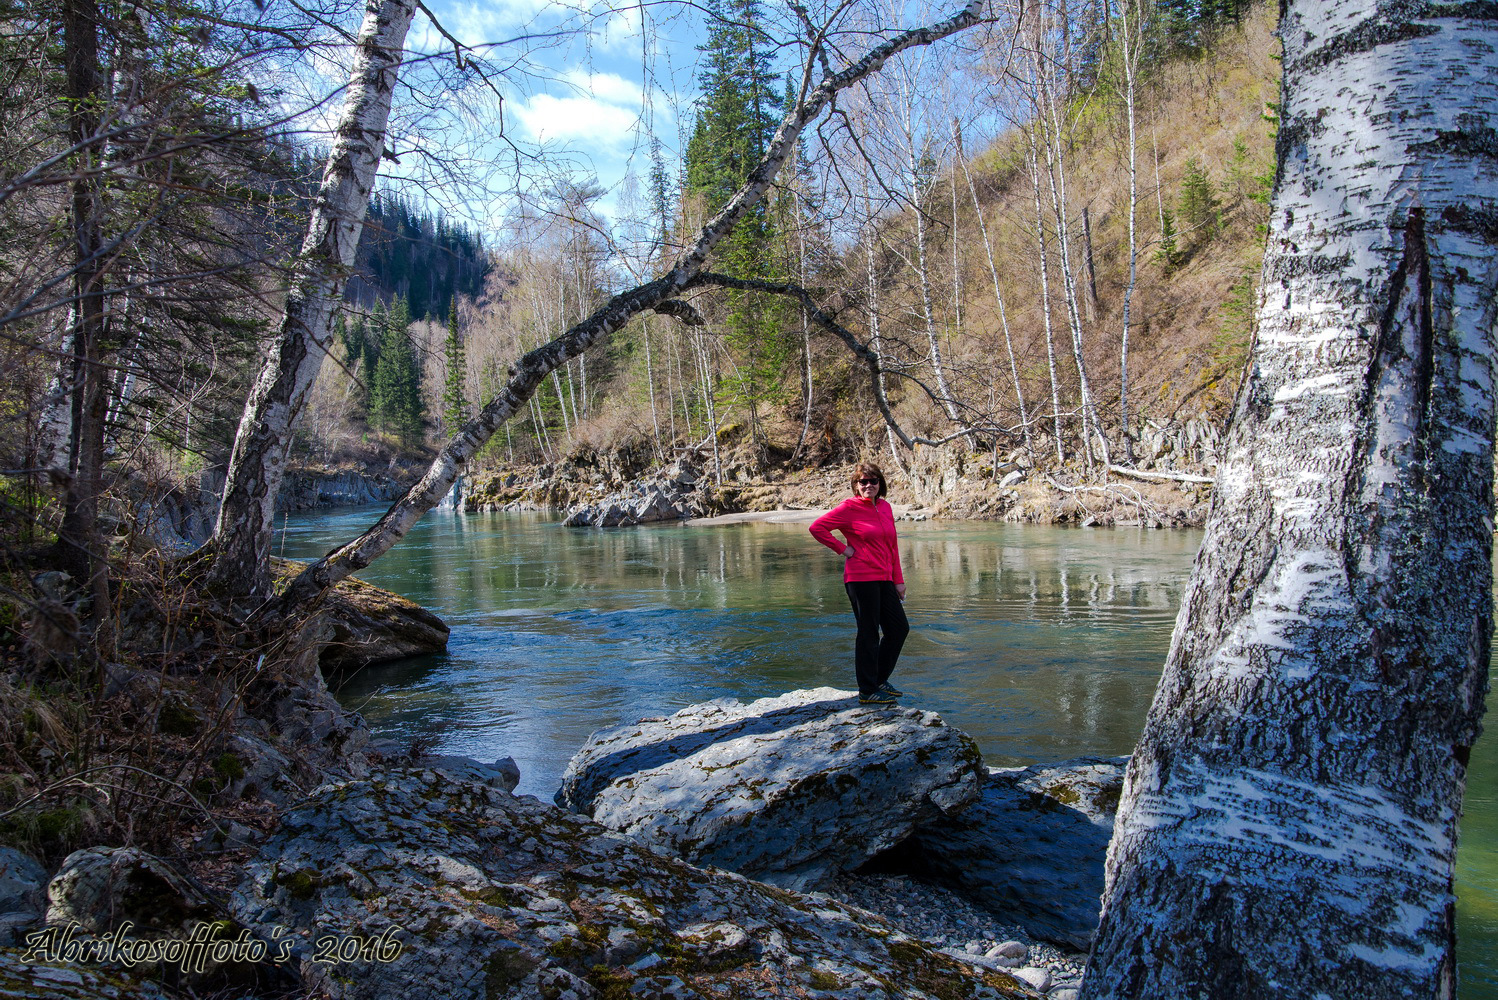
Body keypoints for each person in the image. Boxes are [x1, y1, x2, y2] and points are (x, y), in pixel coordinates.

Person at [809, 461, 910, 705]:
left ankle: (878, 678)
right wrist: (844, 550)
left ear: (879, 484)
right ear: (856, 485)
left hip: (884, 577)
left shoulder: (885, 507)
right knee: (868, 633)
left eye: (873, 481)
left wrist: (899, 580)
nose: (868, 485)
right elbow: (817, 528)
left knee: (899, 629)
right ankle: (867, 690)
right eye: (862, 481)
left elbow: (892, 547)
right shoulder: (849, 508)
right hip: (861, 578)